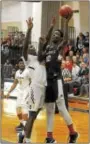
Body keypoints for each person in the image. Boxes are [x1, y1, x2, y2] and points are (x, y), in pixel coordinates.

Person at [44, 14, 79, 143]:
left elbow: (66, 40)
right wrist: (51, 27)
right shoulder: (47, 48)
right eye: (54, 34)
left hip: (57, 80)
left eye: (57, 34)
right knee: (49, 109)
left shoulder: (59, 48)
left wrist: (65, 22)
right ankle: (49, 136)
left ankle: (73, 132)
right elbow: (46, 39)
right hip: (48, 80)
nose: (55, 35)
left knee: (61, 107)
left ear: (60, 38)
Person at [5, 58, 32, 132]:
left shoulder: (28, 72)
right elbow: (15, 83)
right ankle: (22, 123)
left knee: (24, 108)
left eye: (23, 63)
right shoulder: (17, 72)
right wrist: (9, 92)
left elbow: (32, 81)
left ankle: (25, 126)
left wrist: (32, 92)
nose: (21, 64)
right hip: (20, 91)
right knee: (17, 108)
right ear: (18, 64)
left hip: (27, 91)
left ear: (25, 64)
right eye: (20, 63)